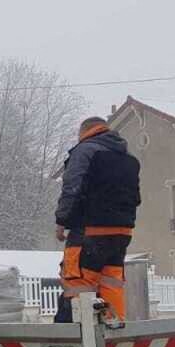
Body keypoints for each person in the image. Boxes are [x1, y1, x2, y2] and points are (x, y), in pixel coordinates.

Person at [54, 116, 141, 322]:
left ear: (84, 131)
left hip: (89, 232)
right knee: (111, 285)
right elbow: (135, 198)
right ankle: (114, 329)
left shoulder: (84, 150)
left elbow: (72, 187)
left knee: (78, 285)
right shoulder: (128, 158)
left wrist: (62, 220)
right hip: (121, 234)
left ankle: (75, 334)